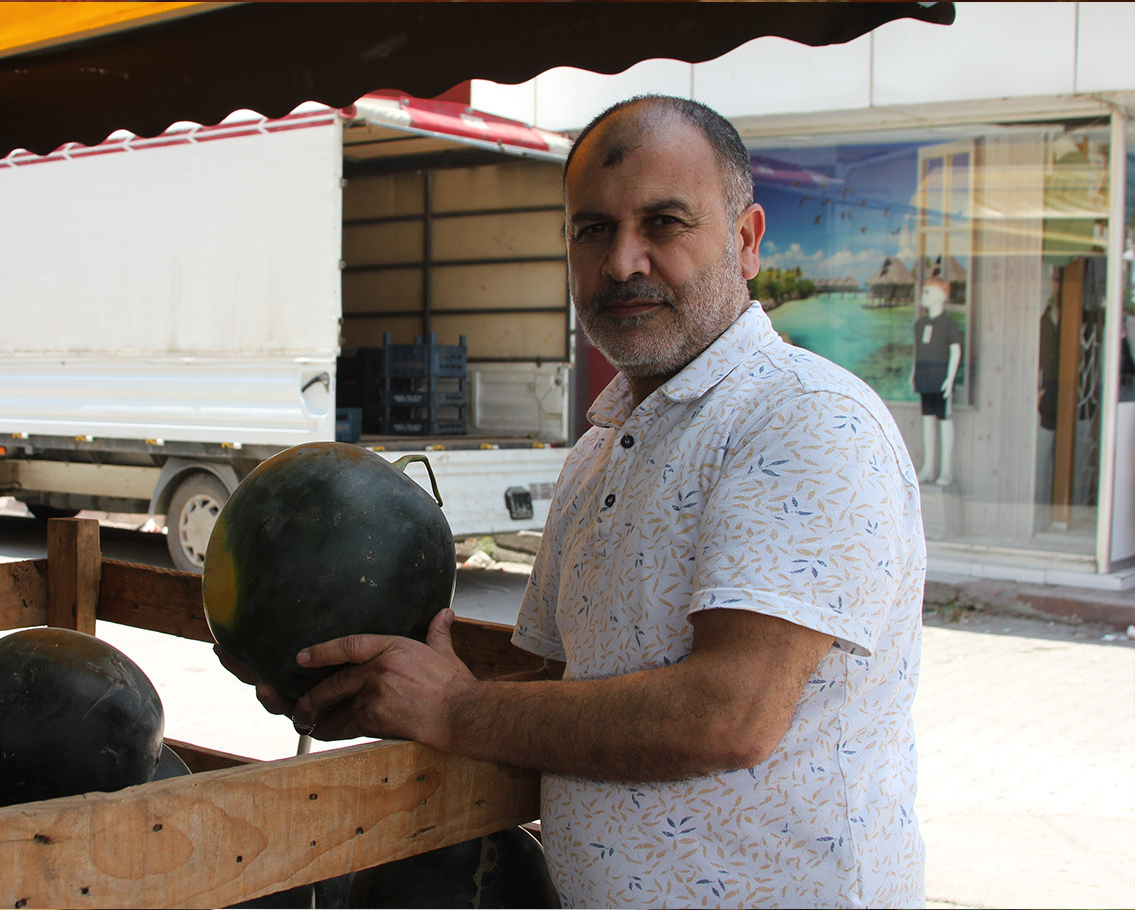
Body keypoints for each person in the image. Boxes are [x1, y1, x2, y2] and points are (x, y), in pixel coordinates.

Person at [218, 95, 926, 908]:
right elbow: (564, 688)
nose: (622, 262)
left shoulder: (805, 418)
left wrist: (456, 710)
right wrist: (384, 694)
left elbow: (729, 714)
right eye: (592, 229)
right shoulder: (600, 449)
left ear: (745, 239)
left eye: (663, 223)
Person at [911, 276, 962, 486]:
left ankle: (946, 470)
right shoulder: (920, 324)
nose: (923, 296)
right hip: (924, 379)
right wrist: (913, 373)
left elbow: (956, 351)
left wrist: (950, 379)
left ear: (942, 296)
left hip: (941, 380)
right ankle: (928, 467)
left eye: (928, 292)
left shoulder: (949, 325)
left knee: (944, 420)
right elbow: (918, 351)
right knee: (927, 420)